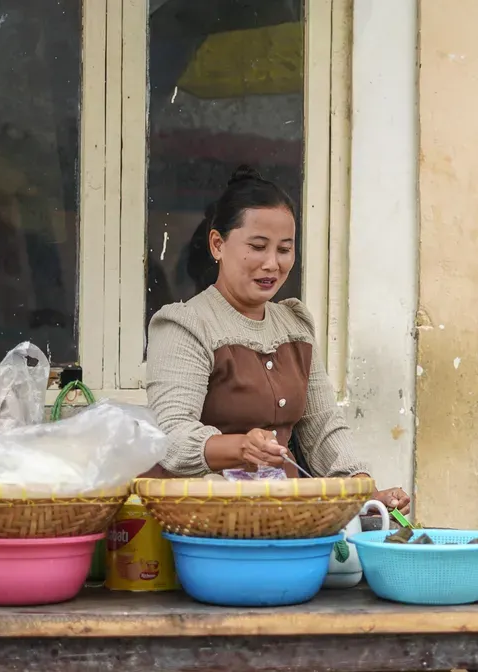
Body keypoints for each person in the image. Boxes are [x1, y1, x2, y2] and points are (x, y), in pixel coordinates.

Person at [145, 165, 410, 514]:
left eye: (284, 249)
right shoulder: (185, 325)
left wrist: (363, 491)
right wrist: (240, 448)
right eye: (257, 247)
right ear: (217, 244)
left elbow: (324, 426)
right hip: (210, 515)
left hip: (291, 514)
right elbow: (172, 439)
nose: (272, 263)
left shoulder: (294, 324)